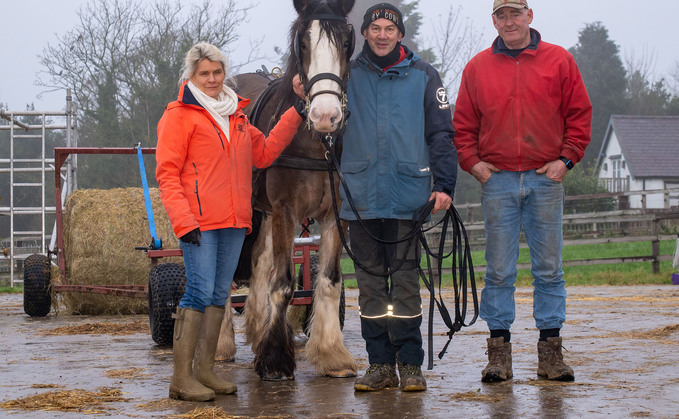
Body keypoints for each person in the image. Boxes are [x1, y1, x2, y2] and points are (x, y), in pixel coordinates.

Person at [306, 3, 457, 392]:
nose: (382, 34)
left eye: (390, 28)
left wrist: (445, 185)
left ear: (400, 34)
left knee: (405, 285)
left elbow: (441, 135)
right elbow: (322, 114)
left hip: (408, 197)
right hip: (362, 199)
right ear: (366, 33)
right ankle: (378, 364)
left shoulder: (425, 76)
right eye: (375, 28)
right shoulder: (348, 75)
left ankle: (409, 365)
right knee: (371, 287)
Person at [156, 42, 305, 401]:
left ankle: (205, 370)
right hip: (199, 223)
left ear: (225, 75)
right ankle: (181, 378)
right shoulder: (179, 115)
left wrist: (298, 109)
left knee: (219, 293)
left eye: (217, 72)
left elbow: (266, 152)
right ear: (191, 76)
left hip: (235, 221)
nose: (211, 79)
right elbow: (167, 174)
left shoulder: (237, 117)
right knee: (198, 292)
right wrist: (183, 220)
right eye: (204, 73)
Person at [453, 0, 592, 383]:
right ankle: (499, 355)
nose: (509, 21)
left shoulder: (559, 61)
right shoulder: (478, 67)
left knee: (549, 269)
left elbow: (579, 115)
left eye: (516, 14)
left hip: (544, 179)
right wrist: (473, 163)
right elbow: (462, 123)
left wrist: (566, 160)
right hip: (496, 180)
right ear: (494, 21)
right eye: (502, 15)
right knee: (499, 270)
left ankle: (551, 355)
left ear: (530, 16)